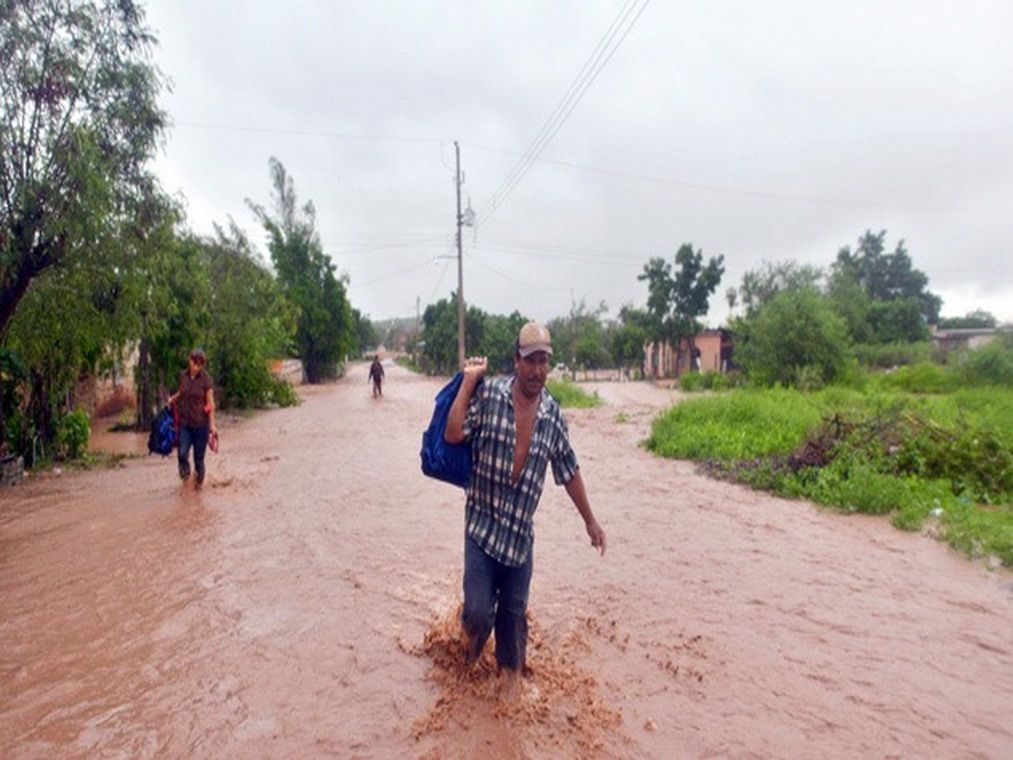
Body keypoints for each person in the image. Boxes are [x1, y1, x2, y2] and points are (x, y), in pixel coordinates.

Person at [444, 321, 607, 677]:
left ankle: (508, 701)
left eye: (543, 362)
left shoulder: (553, 417)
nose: (537, 371)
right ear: (516, 360)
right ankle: (464, 667)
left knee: (513, 626)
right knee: (477, 611)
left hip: (519, 540)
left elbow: (569, 471)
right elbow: (453, 432)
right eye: (530, 361)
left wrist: (590, 521)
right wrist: (469, 382)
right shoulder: (489, 397)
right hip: (482, 530)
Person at [168, 348, 217, 487]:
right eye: (194, 363)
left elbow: (210, 404)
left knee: (199, 460)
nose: (196, 367)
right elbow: (182, 392)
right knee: (182, 454)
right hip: (186, 424)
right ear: (189, 360)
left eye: (200, 364)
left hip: (201, 426)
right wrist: (173, 399)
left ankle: (198, 487)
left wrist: (212, 425)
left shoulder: (206, 380)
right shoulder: (183, 376)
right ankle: (186, 482)